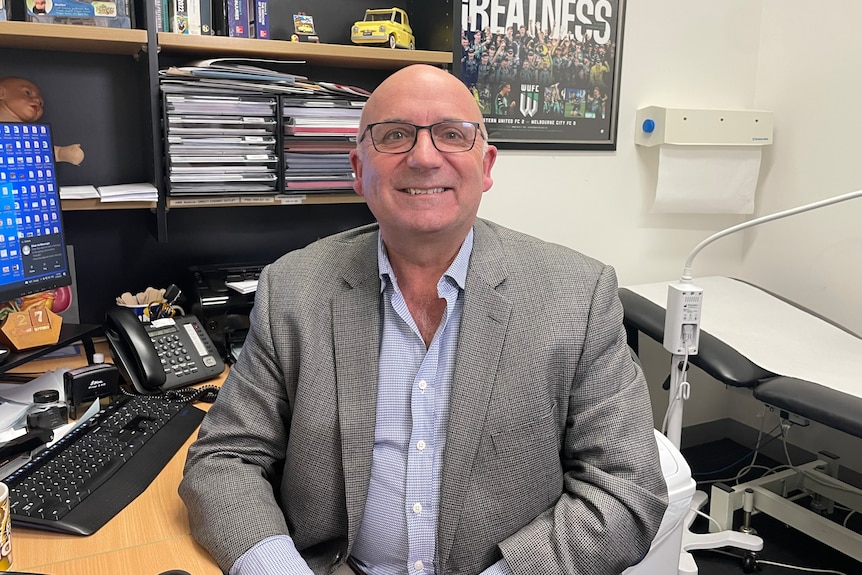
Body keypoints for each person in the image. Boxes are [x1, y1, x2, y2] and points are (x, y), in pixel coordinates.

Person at [179, 64, 668, 575]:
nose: (424, 157)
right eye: (395, 135)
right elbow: (225, 460)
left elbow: (625, 488)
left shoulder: (577, 294)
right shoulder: (293, 289)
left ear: (487, 166)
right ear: (357, 167)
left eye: (452, 135)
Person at [0, 76, 84, 165]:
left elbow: (42, 152)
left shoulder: (30, 136)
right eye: (27, 93)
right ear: (1, 92)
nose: (37, 100)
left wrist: (60, 153)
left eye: (41, 103)